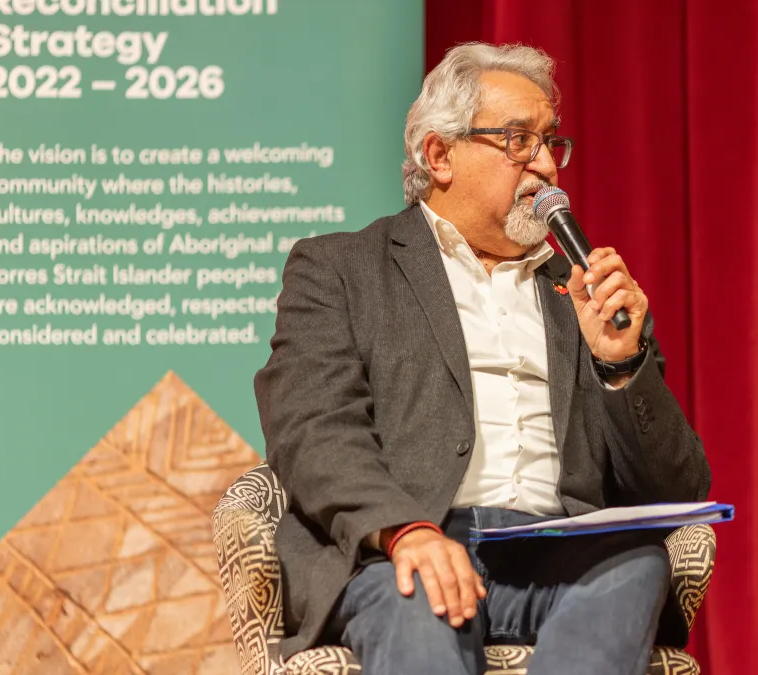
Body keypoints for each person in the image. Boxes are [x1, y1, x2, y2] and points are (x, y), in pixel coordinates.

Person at [254, 42, 710, 675]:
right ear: (440, 155)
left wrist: (620, 367)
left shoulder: (586, 291)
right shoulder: (340, 270)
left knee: (636, 562)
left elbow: (676, 488)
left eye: (552, 142)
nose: (546, 166)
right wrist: (404, 529)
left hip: (559, 554)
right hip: (412, 545)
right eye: (519, 141)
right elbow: (312, 429)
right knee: (418, 596)